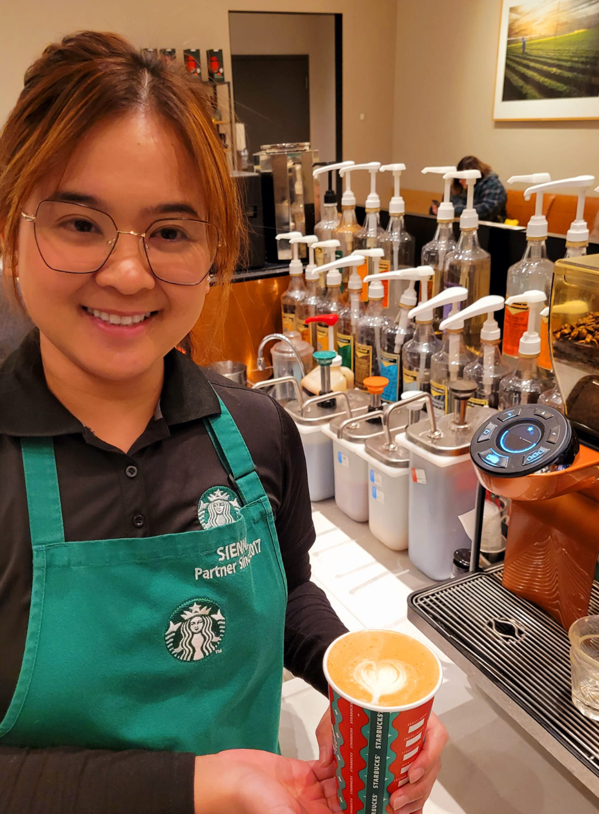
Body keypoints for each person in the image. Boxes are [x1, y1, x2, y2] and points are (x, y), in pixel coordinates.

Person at [0, 32, 447, 814]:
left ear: (214, 254)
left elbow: (288, 592)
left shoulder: (258, 431)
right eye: (79, 223)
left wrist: (354, 679)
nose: (130, 272)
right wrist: (206, 785)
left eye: (170, 233)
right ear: (12, 230)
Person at [443, 155, 508, 223]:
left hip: (490, 230)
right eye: (458, 177)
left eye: (463, 177)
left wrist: (451, 211)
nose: (460, 181)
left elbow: (486, 211)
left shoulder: (493, 184)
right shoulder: (458, 185)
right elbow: (447, 203)